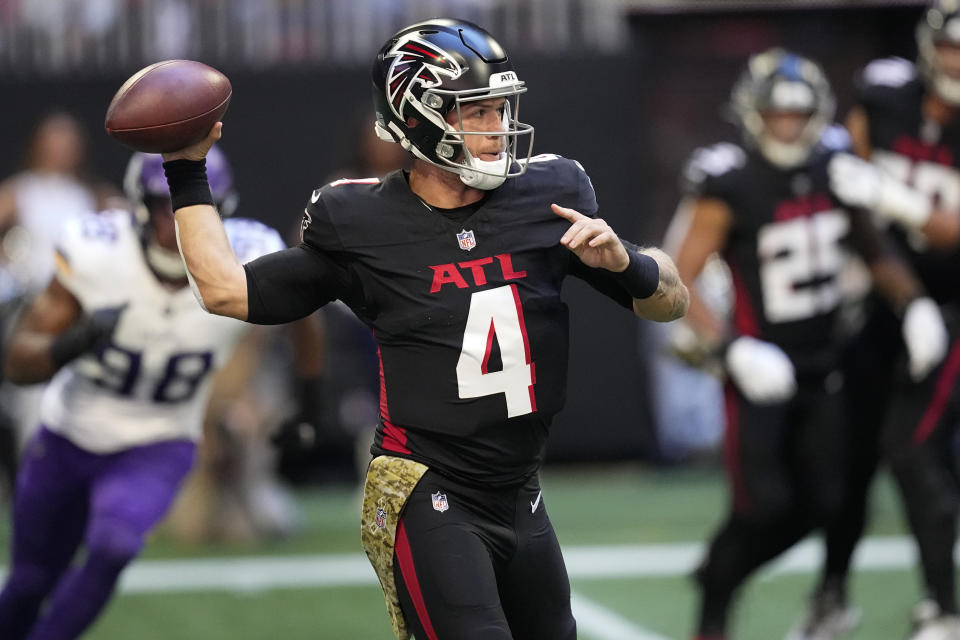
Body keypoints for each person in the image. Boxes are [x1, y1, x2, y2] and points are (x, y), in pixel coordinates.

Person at [159, 17, 688, 640]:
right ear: (417, 118)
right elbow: (225, 290)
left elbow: (670, 301)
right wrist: (185, 169)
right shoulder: (361, 221)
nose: (497, 130)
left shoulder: (547, 195)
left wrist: (627, 265)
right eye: (477, 112)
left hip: (520, 489)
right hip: (425, 488)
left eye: (500, 109)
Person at [668, 48, 947, 640]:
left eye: (798, 114)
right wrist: (730, 349)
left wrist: (914, 300)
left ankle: (731, 577)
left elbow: (875, 249)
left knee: (831, 499)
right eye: (777, 113)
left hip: (827, 364)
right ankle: (714, 604)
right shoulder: (730, 177)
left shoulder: (837, 163)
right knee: (762, 507)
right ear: (753, 112)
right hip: (760, 367)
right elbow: (681, 275)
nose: (788, 125)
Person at [0, 147, 286, 640]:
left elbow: (304, 323)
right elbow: (18, 364)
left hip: (160, 438)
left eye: (193, 210)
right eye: (162, 207)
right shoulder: (95, 252)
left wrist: (308, 392)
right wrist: (75, 340)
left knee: (114, 545)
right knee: (30, 579)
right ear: (136, 204)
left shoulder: (252, 257)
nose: (175, 226)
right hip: (69, 432)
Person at [804, 2, 960, 637]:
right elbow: (846, 175)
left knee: (915, 444)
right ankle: (834, 591)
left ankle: (942, 606)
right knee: (852, 453)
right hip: (885, 296)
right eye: (951, 49)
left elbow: (946, 230)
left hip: (954, 303)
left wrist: (892, 197)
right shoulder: (884, 93)